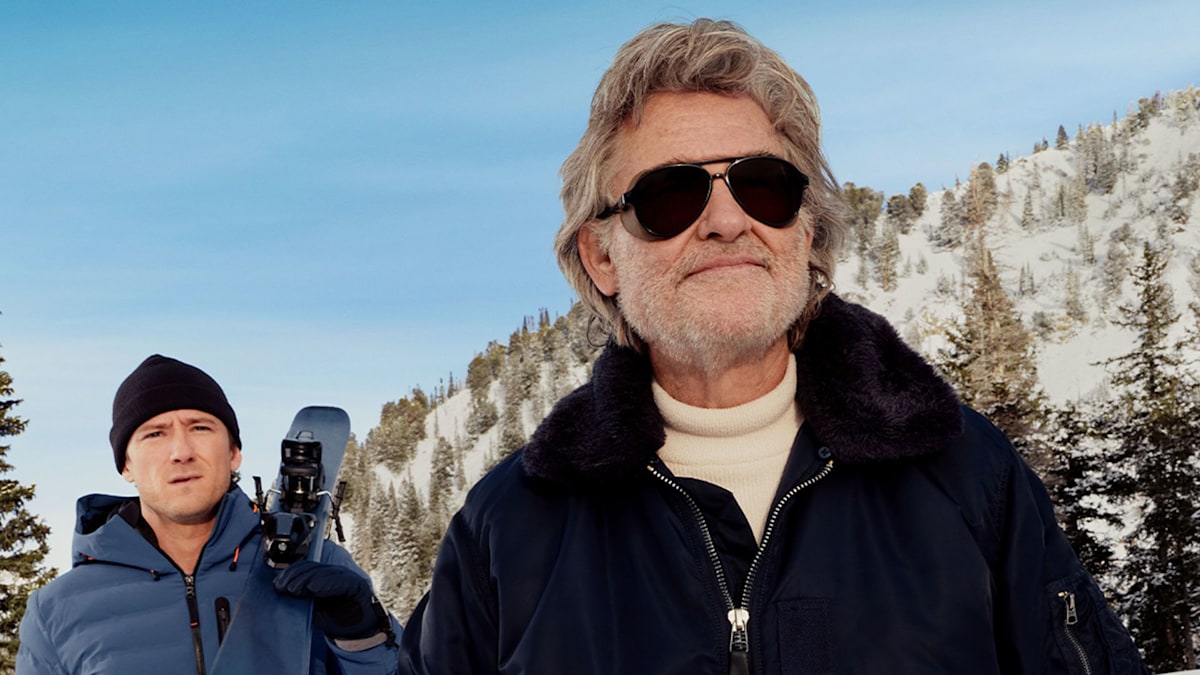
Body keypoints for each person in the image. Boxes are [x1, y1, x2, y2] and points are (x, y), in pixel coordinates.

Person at [399, 18, 1146, 675]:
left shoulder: (967, 477)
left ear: (806, 231)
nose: (728, 221)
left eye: (763, 185)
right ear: (601, 256)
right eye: (670, 195)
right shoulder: (508, 530)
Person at [18, 354, 401, 675]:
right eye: (154, 434)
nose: (181, 451)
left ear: (233, 453)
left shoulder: (317, 564)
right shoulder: (55, 612)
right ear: (126, 466)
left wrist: (362, 637)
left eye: (200, 427)